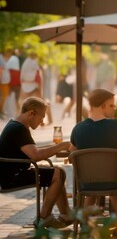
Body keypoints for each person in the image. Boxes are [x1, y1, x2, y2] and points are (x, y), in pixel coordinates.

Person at [0, 97, 71, 228]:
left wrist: (59, 146)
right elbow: (36, 156)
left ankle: (66, 215)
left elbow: (33, 151)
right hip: (10, 177)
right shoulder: (19, 129)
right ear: (31, 113)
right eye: (42, 117)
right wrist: (62, 146)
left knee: (57, 171)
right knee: (58, 174)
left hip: (12, 173)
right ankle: (44, 217)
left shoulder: (16, 125)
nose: (42, 121)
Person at [69, 89, 117, 225]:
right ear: (103, 106)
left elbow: (72, 152)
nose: (114, 109)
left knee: (92, 184)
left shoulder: (78, 128)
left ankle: (84, 225)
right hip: (114, 181)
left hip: (86, 182)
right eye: (112, 105)